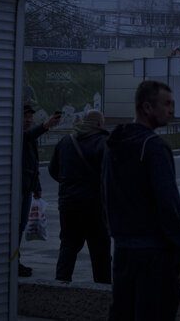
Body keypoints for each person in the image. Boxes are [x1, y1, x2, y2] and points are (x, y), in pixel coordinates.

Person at [103, 80, 180, 321]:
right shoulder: (154, 147)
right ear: (147, 108)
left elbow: (107, 194)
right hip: (155, 256)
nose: (171, 110)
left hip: (124, 251)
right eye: (166, 104)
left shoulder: (114, 144)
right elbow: (168, 204)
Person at [47, 109, 111, 283]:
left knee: (68, 246)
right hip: (95, 207)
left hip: (68, 205)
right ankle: (103, 289)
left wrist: (70, 185)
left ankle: (60, 284)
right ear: (99, 124)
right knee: (100, 251)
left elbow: (53, 170)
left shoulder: (66, 141)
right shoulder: (104, 143)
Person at [19, 100, 61, 278]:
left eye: (30, 117)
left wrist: (37, 187)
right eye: (25, 117)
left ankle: (16, 260)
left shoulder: (29, 137)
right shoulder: (18, 135)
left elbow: (33, 164)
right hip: (18, 190)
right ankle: (13, 262)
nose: (28, 120)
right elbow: (27, 137)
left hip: (27, 189)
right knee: (15, 228)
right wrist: (45, 125)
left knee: (20, 227)